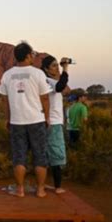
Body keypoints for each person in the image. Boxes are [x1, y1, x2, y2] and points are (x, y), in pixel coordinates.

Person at [0, 42, 51, 198]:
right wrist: (46, 117)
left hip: (16, 121)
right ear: (28, 56)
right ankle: (40, 190)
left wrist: (8, 119)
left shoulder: (7, 75)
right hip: (36, 120)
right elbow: (45, 98)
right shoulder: (38, 74)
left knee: (19, 156)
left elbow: (5, 101)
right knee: (40, 155)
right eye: (32, 54)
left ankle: (20, 189)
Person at [41, 55, 71, 194]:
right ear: (46, 69)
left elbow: (63, 88)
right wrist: (65, 69)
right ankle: (58, 187)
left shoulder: (48, 81)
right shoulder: (48, 81)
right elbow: (60, 87)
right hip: (53, 122)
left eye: (56, 65)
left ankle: (44, 184)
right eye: (53, 65)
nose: (56, 67)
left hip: (51, 122)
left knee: (47, 153)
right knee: (57, 152)